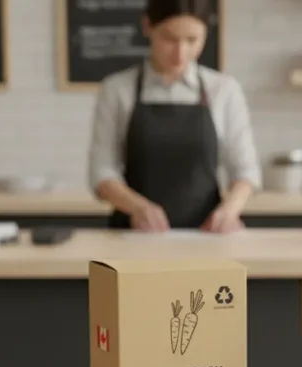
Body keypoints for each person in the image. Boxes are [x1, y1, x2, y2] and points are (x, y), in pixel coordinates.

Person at [87, 0, 261, 232]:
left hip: (207, 236)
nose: (181, 53)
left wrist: (229, 211)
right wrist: (138, 208)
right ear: (148, 26)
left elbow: (245, 171)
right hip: (133, 235)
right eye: (169, 39)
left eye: (192, 40)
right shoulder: (117, 90)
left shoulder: (224, 90)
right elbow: (102, 171)